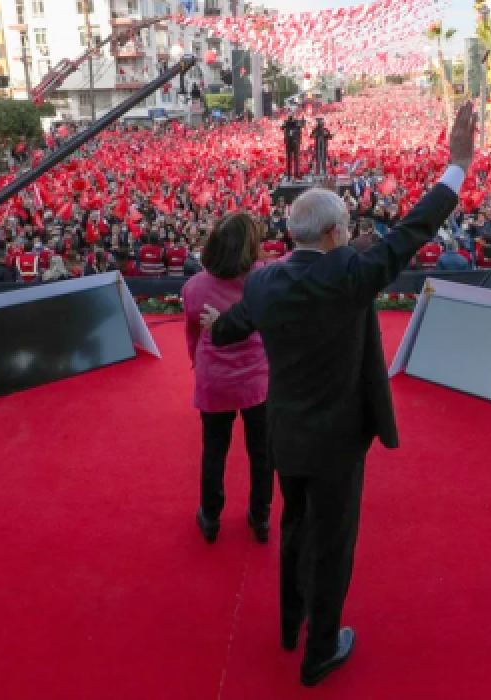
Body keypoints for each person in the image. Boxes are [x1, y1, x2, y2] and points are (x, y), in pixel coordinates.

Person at [200, 100, 476, 688]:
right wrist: (456, 166)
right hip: (338, 442)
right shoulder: (352, 274)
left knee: (294, 528)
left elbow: (230, 328)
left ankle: (289, 624)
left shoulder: (265, 281)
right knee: (333, 543)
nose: (351, 235)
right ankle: (320, 650)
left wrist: (212, 326)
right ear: (332, 234)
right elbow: (414, 229)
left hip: (287, 435)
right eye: (346, 228)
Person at [183, 213, 273, 545]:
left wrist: (197, 361)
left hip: (215, 380)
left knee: (214, 451)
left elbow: (192, 334)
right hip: (257, 381)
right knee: (262, 453)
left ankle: (210, 516)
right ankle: (260, 516)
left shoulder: (194, 287)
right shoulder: (264, 278)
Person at [282, 111, 304, 179]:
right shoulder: (286, 124)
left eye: (292, 117)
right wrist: (287, 122)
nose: (291, 118)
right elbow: (282, 127)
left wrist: (302, 119)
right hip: (289, 143)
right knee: (289, 159)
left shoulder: (297, 124)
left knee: (296, 159)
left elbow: (302, 124)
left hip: (295, 143)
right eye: (290, 117)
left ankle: (296, 174)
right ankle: (289, 174)